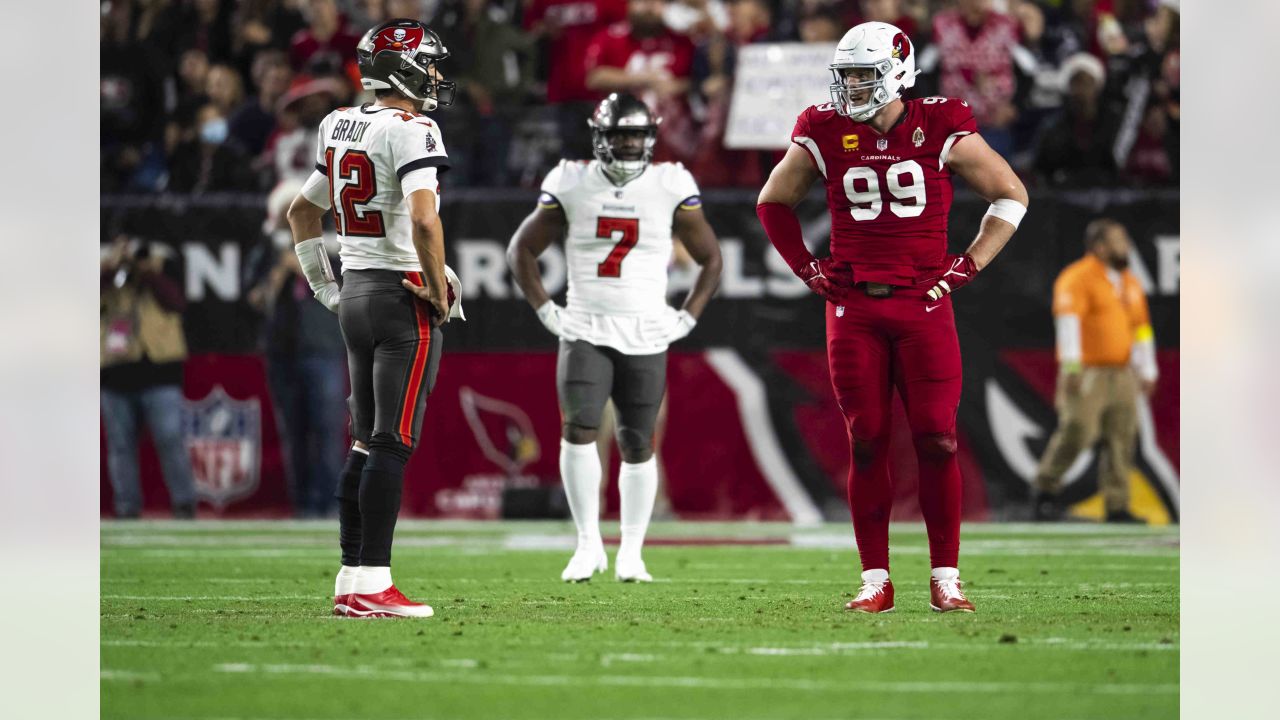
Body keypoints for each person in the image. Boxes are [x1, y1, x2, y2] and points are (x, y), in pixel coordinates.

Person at [756, 22, 1028, 613]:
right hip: (853, 307)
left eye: (863, 75)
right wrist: (806, 268)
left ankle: (946, 577)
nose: (851, 88)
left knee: (938, 435)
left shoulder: (941, 123)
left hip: (923, 302)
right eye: (846, 76)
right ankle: (875, 578)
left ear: (898, 73)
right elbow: (773, 201)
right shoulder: (822, 129)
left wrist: (968, 265)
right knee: (865, 438)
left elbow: (1010, 195)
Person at [286, 19, 465, 619]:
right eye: (430, 63)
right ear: (405, 68)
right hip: (398, 295)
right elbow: (422, 220)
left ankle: (350, 577)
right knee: (392, 440)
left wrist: (325, 287)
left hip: (357, 294)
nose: (437, 75)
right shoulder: (413, 128)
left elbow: (299, 213)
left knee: (365, 440)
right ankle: (374, 583)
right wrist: (437, 283)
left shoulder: (338, 123)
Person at [507, 92, 722, 582]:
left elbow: (711, 257)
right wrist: (545, 308)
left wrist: (687, 317)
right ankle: (587, 545)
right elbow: (521, 248)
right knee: (578, 431)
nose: (627, 146)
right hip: (585, 325)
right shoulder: (571, 181)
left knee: (637, 442)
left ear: (650, 138)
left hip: (646, 329)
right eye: (618, 136)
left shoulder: (671, 183)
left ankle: (631, 551)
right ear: (599, 137)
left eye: (635, 136)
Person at [1032, 219, 1157, 523]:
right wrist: (1072, 364)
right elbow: (1068, 321)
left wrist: (1147, 368)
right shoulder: (1078, 277)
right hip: (1087, 370)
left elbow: (1141, 328)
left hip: (1123, 371)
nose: (1125, 245)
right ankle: (1045, 490)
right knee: (1077, 432)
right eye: (1118, 240)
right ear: (1100, 246)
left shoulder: (1129, 281)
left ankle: (1117, 504)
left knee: (1121, 438)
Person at [100, 237, 198, 520]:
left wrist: (147, 271)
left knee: (170, 439)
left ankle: (184, 504)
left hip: (159, 368)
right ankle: (126, 507)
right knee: (120, 445)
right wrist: (111, 267)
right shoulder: (102, 268)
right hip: (115, 369)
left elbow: (176, 302)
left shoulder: (163, 264)